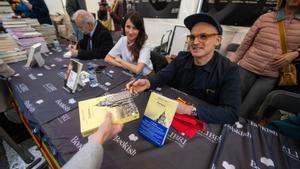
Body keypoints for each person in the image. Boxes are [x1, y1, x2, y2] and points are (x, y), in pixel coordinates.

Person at [127, 13, 241, 125]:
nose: (195, 42)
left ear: (218, 40)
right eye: (192, 37)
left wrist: (189, 110)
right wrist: (147, 83)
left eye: (203, 36)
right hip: (170, 119)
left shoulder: (230, 70)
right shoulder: (182, 57)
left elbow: (231, 113)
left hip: (202, 127)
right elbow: (162, 76)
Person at [228, 0, 300, 119]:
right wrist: (233, 61)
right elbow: (247, 41)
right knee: (232, 100)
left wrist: (295, 53)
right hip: (247, 67)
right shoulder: (266, 17)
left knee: (249, 107)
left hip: (271, 74)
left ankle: (236, 130)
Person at [104, 11, 153, 76]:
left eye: (134, 28)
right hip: (129, 73)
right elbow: (107, 58)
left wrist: (120, 60)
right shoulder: (122, 40)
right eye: (128, 26)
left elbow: (138, 70)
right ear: (124, 27)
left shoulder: (145, 44)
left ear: (140, 30)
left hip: (146, 76)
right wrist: (123, 65)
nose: (130, 32)